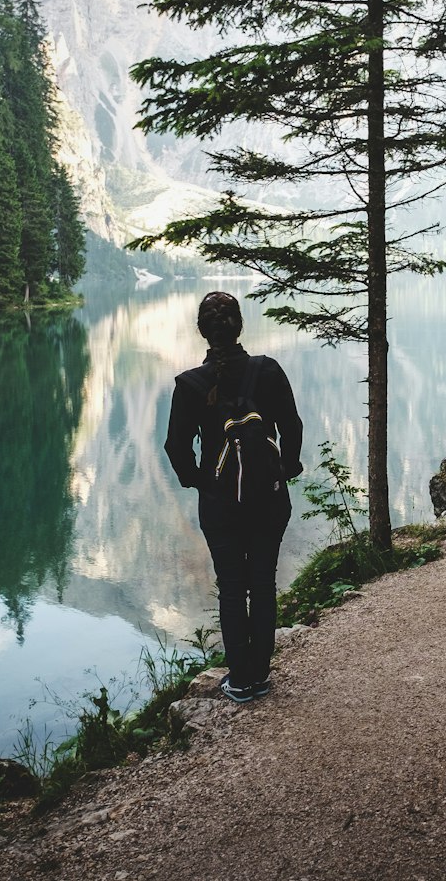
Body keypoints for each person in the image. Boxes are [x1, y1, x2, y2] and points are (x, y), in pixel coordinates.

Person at [165, 291, 303, 703]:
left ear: (203, 332)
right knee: (263, 583)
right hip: (269, 498)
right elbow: (292, 426)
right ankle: (260, 673)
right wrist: (287, 469)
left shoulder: (190, 385)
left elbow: (176, 446)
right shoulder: (267, 370)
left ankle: (240, 679)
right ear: (239, 326)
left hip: (220, 504)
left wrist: (199, 481)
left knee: (231, 586)